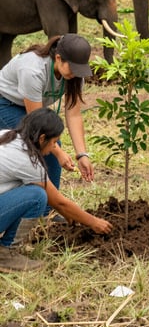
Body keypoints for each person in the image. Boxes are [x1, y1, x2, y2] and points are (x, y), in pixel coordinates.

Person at [0, 108, 113, 272]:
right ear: (42, 138)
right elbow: (59, 202)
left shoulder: (7, 135)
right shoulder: (27, 162)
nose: (54, 147)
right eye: (54, 143)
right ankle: (5, 254)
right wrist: (94, 222)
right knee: (37, 196)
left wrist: (70, 214)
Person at [0, 34, 95, 189]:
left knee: (50, 142)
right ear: (58, 58)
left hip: (30, 107)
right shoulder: (33, 70)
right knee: (46, 143)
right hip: (5, 103)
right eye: (73, 68)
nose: (76, 73)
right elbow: (36, 123)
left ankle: (49, 209)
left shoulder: (76, 76)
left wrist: (82, 155)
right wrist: (59, 153)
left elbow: (74, 114)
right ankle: (42, 204)